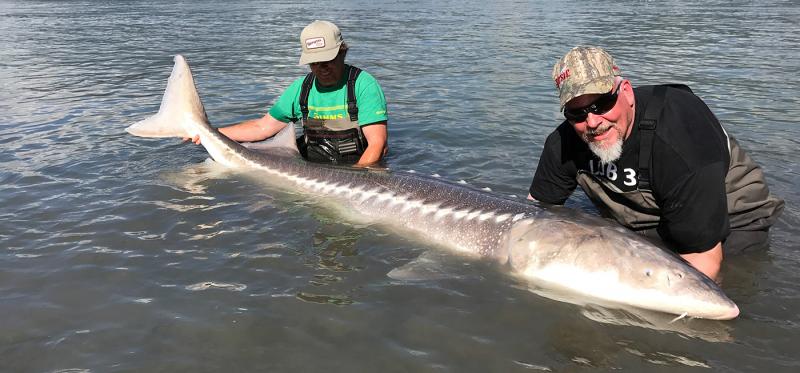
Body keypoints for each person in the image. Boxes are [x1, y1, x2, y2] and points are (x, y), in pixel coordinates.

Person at [527, 46, 784, 281]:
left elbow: (704, 259)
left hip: (732, 219)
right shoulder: (563, 143)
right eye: (577, 112)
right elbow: (535, 214)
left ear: (625, 92)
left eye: (602, 104)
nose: (593, 122)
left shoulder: (679, 139)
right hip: (644, 224)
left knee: (730, 281)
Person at [188, 20, 388, 166]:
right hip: (314, 168)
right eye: (315, 63)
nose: (322, 68)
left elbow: (377, 145)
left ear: (343, 52)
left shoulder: (363, 85)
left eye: (328, 60)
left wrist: (353, 181)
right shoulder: (302, 88)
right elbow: (261, 128)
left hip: (361, 168)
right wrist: (208, 132)